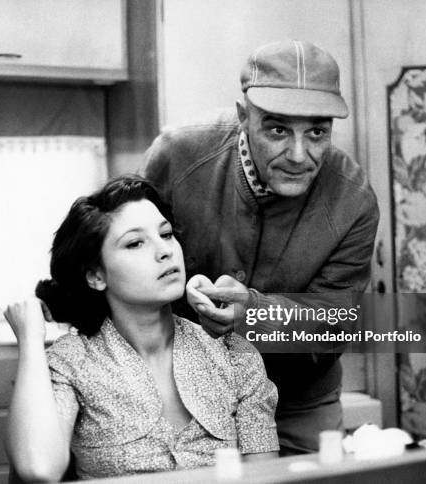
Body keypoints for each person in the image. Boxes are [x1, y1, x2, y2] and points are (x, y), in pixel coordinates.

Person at [144, 39, 380, 455]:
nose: (298, 155)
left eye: (317, 132)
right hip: (185, 390)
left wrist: (249, 314)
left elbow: (334, 324)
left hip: (299, 398)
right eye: (277, 129)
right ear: (242, 118)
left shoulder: (354, 200)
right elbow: (128, 251)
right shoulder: (177, 155)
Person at [4, 176, 279, 482]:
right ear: (96, 276)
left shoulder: (234, 355)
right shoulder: (72, 361)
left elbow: (265, 477)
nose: (165, 251)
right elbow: (38, 469)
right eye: (135, 243)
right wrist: (30, 339)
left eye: (166, 234)